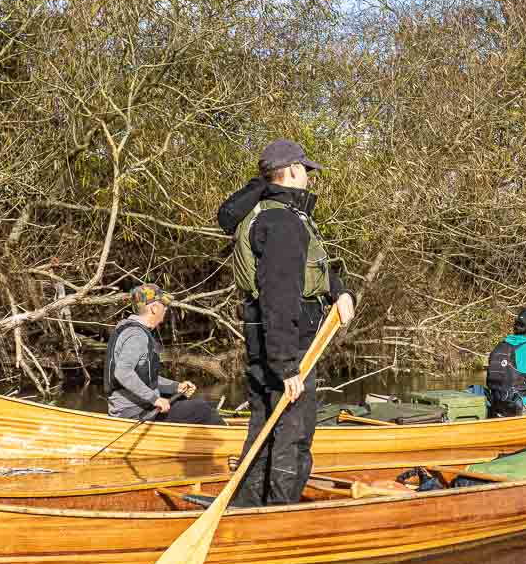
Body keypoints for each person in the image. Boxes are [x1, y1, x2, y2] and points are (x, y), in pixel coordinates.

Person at [216, 139, 354, 506]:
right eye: (305, 170)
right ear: (292, 170)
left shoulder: (267, 213)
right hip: (287, 347)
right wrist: (287, 366)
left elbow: (309, 272)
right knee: (293, 436)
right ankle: (279, 513)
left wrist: (338, 291)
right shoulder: (281, 221)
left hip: (265, 341)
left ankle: (246, 506)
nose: (308, 177)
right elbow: (279, 296)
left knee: (264, 428)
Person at [103, 284, 223, 425]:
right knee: (202, 409)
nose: (166, 309)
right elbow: (123, 373)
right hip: (134, 412)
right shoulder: (137, 335)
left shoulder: (131, 330)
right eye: (163, 305)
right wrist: (155, 399)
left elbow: (145, 378)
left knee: (185, 401)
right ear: (154, 308)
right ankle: (231, 440)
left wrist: (175, 387)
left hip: (138, 407)